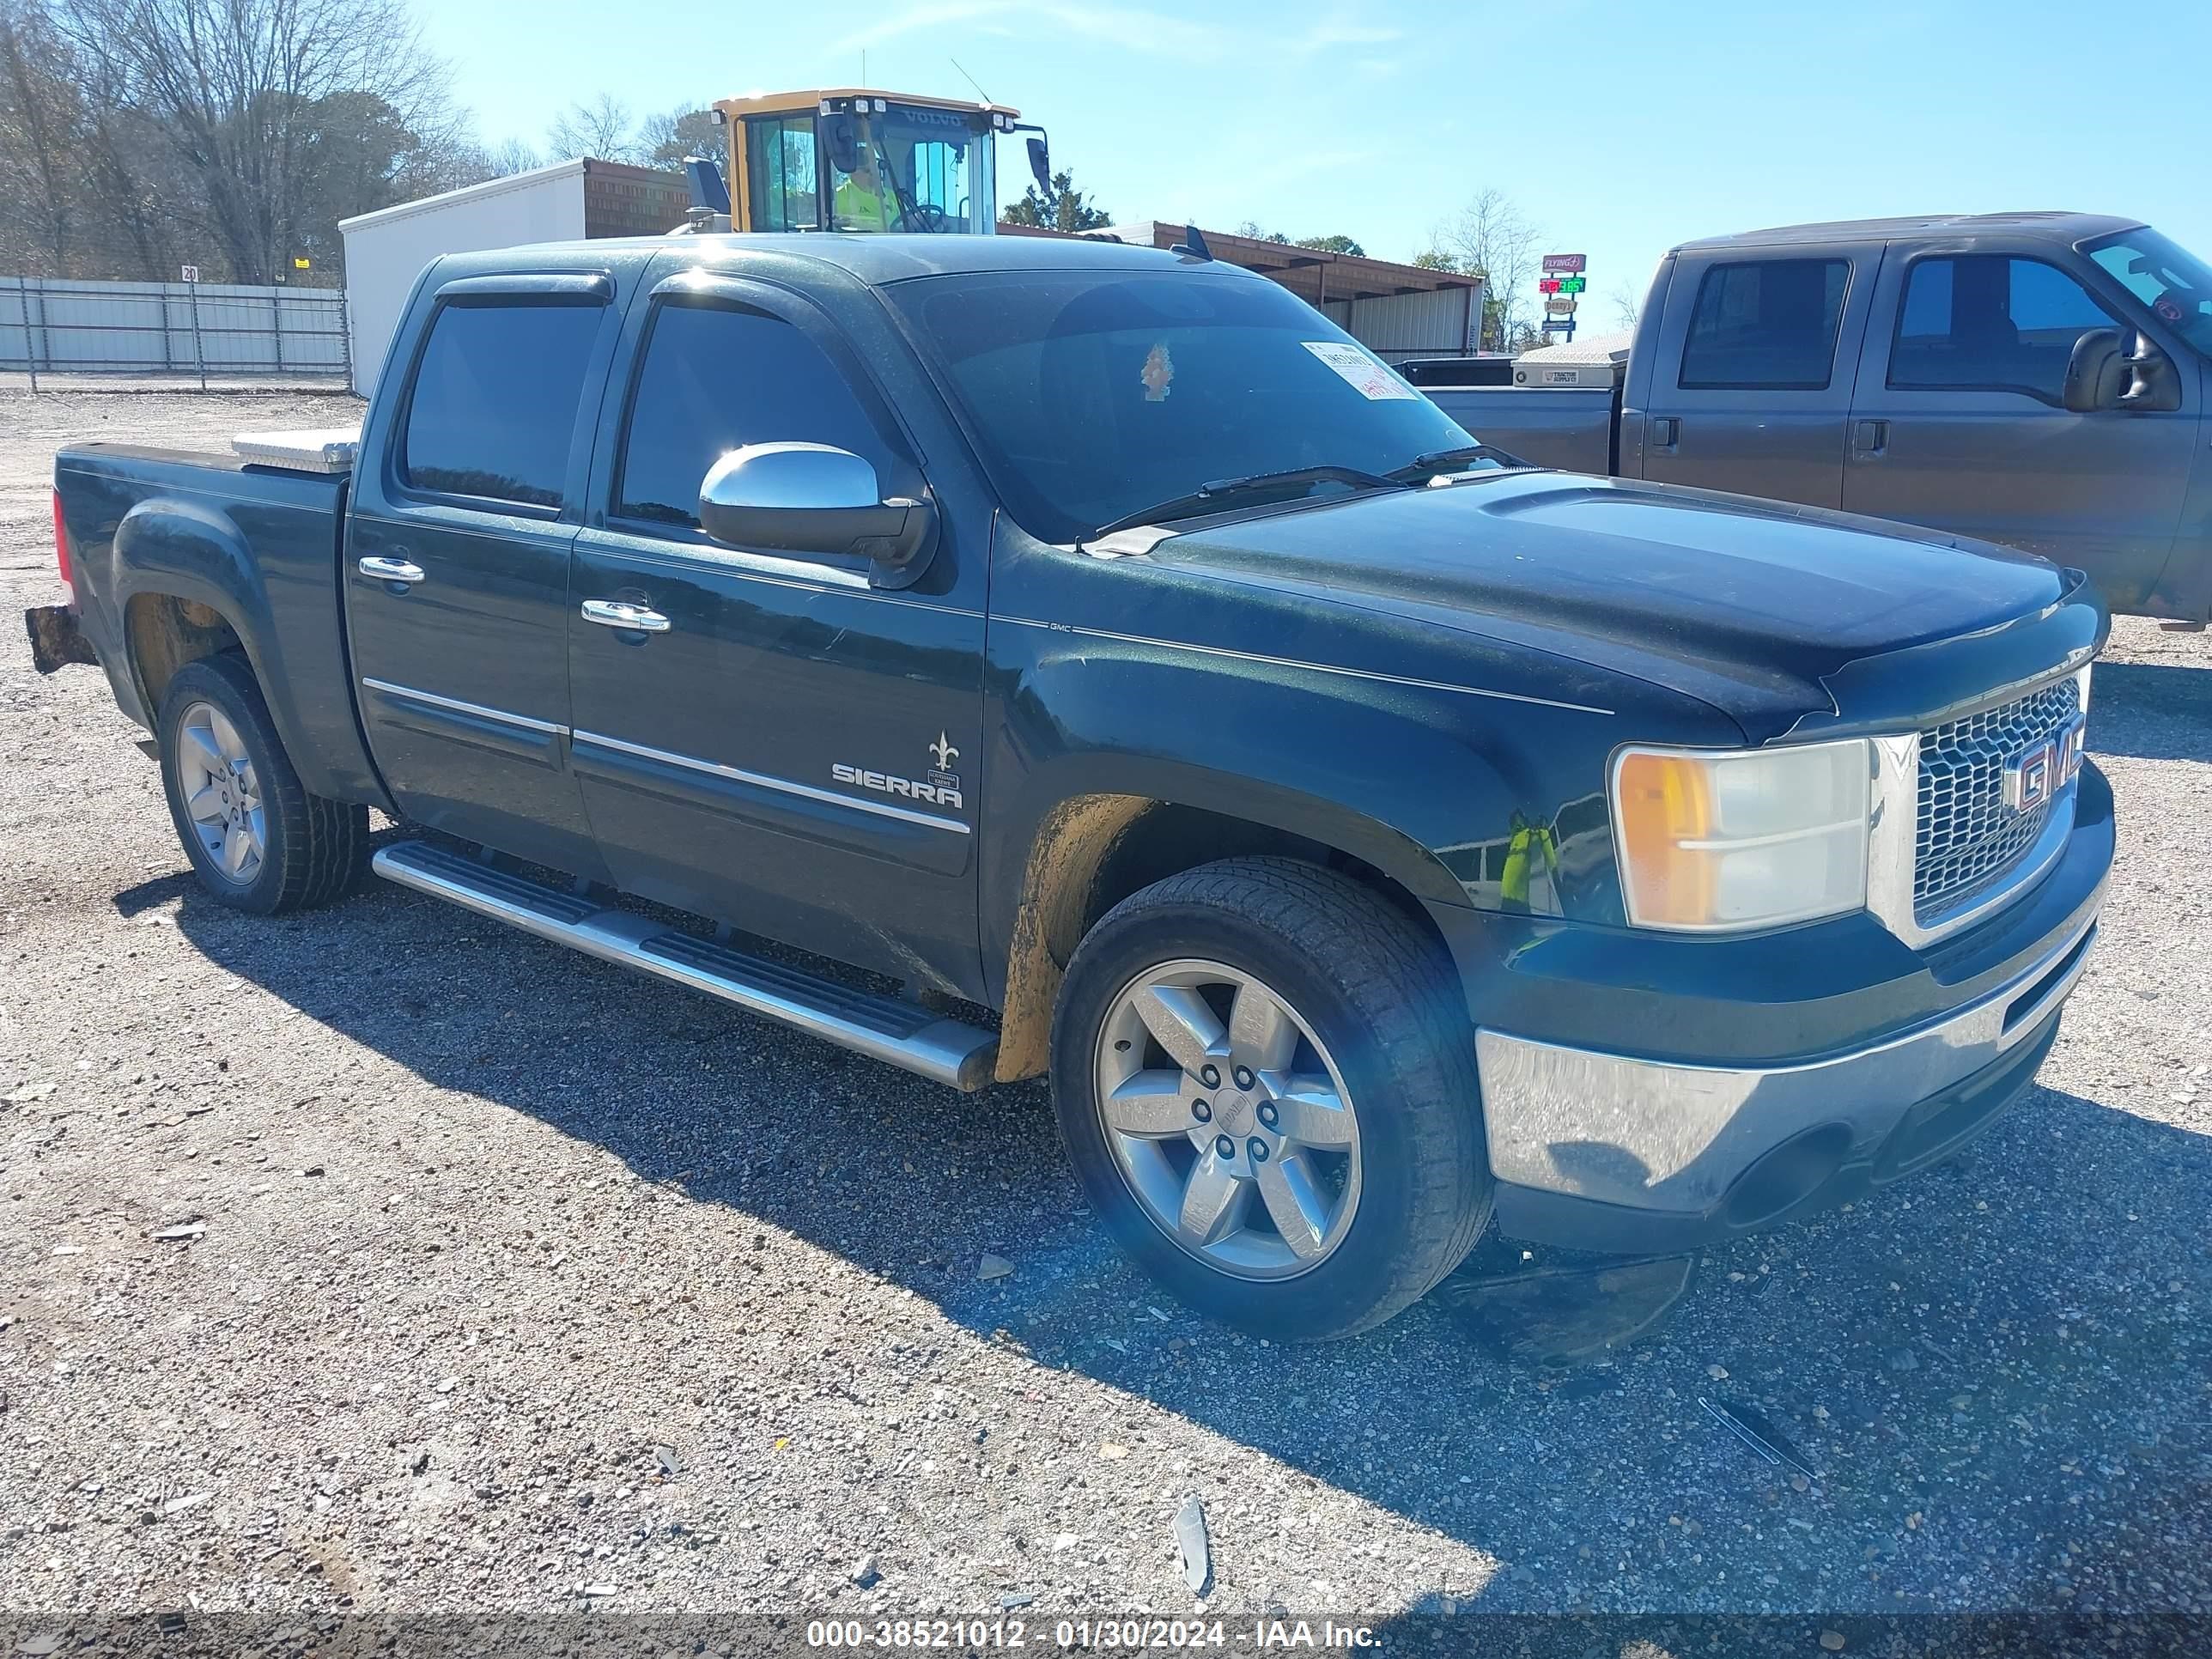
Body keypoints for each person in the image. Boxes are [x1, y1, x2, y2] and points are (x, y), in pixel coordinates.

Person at [832, 124, 892, 233]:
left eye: (875, 169)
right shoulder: (839, 197)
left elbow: (906, 221)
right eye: (867, 171)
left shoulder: (892, 197)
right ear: (852, 171)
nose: (874, 174)